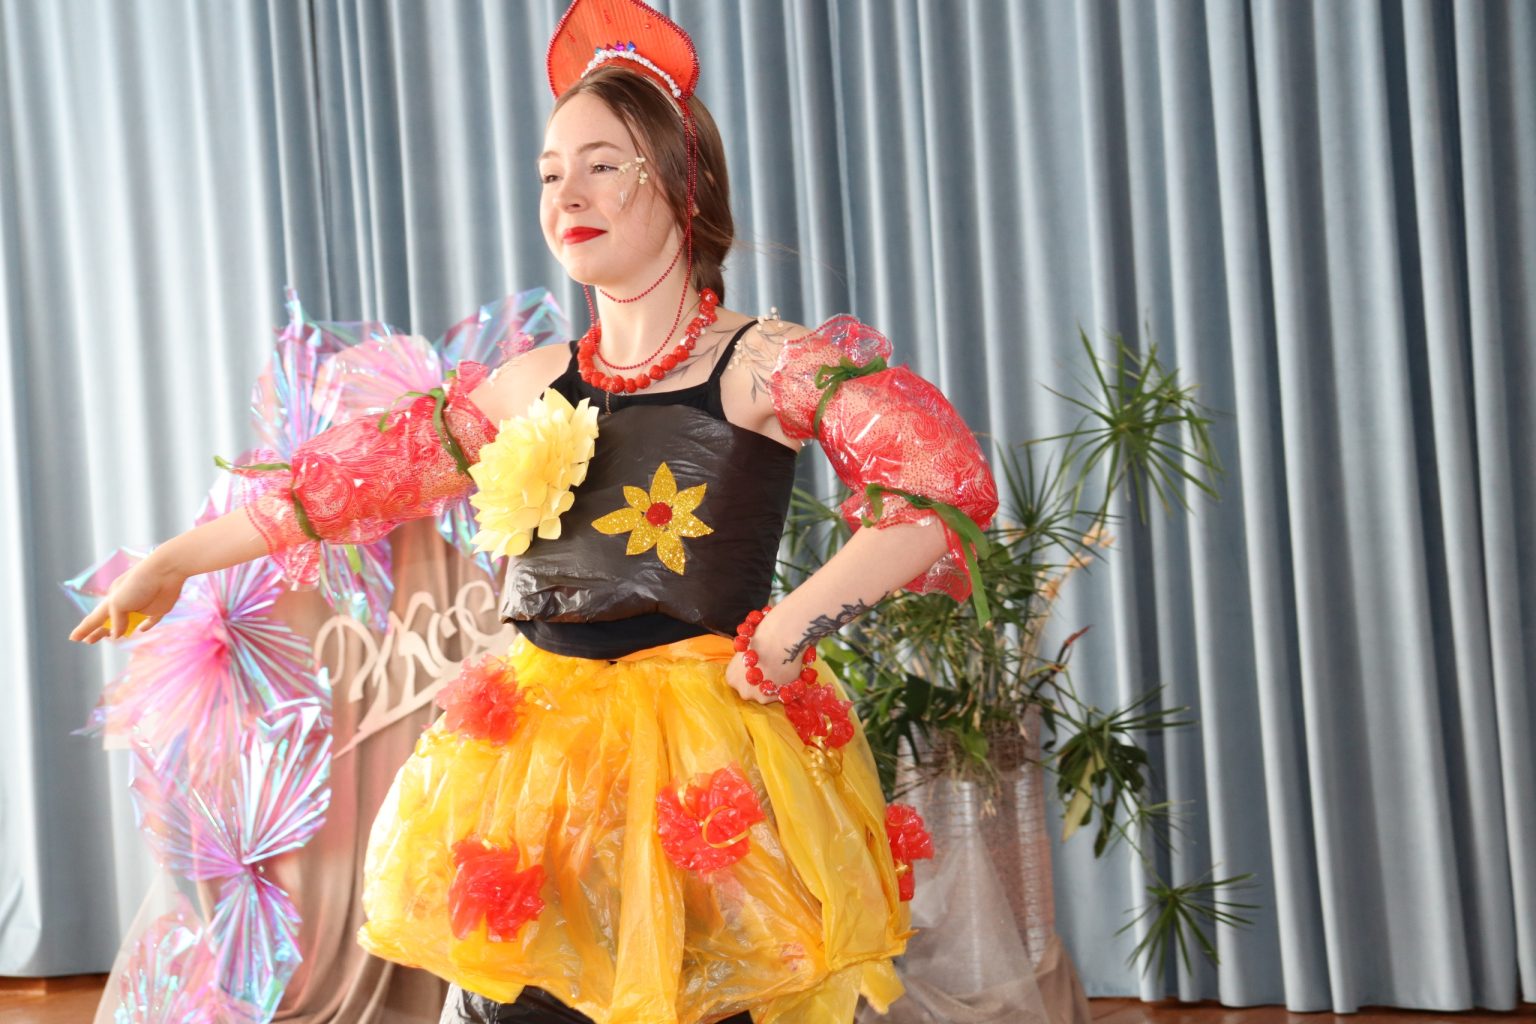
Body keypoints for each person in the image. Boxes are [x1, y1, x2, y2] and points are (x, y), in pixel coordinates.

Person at [70, 1, 998, 1021]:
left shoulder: (761, 364)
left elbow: (940, 492)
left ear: (683, 182)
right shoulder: (526, 383)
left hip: (700, 764)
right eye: (551, 173)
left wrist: (786, 635)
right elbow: (345, 485)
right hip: (535, 759)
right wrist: (177, 558)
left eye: (602, 164)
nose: (568, 195)